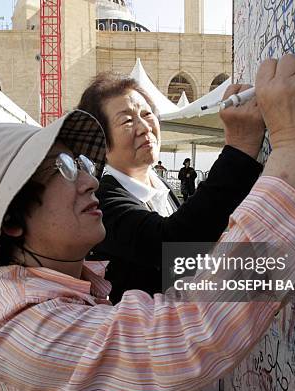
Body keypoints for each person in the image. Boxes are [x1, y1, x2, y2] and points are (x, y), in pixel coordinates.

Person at [0, 54, 295, 391]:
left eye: (83, 163)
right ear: (13, 223)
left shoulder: (53, 285)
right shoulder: (26, 333)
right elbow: (191, 330)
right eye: (64, 169)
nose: (89, 180)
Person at [78, 72, 265, 304]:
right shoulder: (103, 202)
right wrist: (239, 149)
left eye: (147, 114)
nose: (144, 127)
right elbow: (172, 245)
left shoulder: (160, 184)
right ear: (100, 143)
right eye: (127, 120)